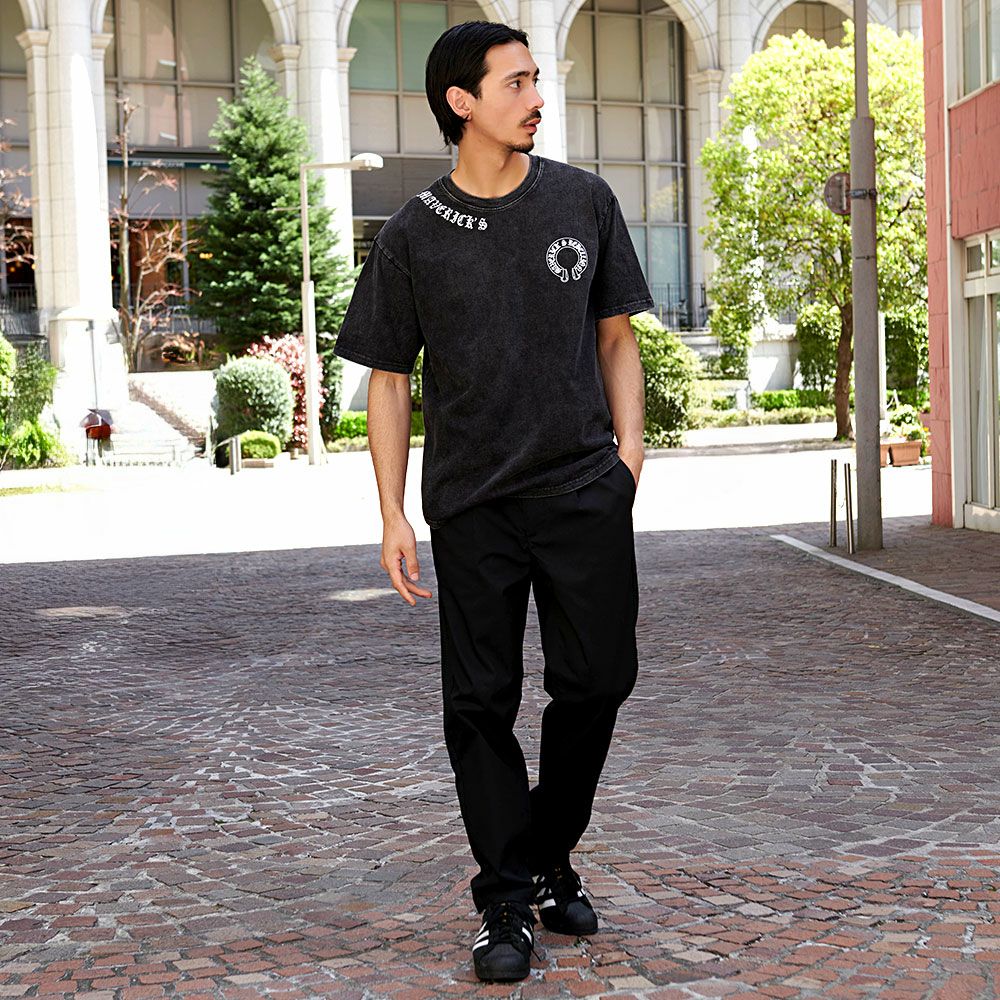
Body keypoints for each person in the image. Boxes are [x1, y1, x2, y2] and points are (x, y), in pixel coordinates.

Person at [333, 19, 651, 984]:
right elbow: (390, 380)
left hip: (583, 491)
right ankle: (508, 899)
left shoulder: (582, 200)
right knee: (480, 704)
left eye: (535, 80)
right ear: (461, 101)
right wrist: (393, 511)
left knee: (598, 681)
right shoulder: (413, 234)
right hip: (472, 507)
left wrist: (629, 458)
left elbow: (617, 338)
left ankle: (546, 852)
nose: (537, 98)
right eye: (516, 83)